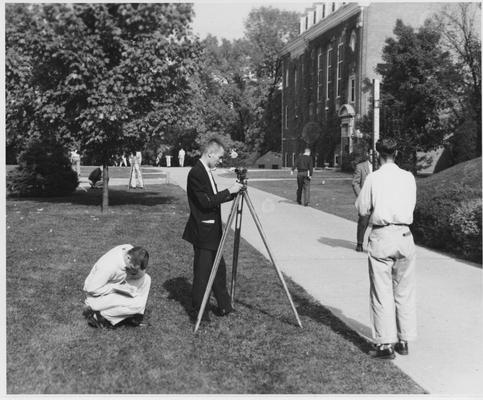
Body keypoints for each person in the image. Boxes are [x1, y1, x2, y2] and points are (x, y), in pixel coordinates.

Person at [355, 138, 417, 359]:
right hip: (405, 235)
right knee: (404, 291)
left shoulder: (374, 178)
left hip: (383, 234)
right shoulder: (408, 177)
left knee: (381, 291)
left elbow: (362, 209)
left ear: (377, 153)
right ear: (397, 152)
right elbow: (412, 205)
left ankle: (385, 345)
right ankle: (404, 340)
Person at [182, 138, 243, 321]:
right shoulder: (196, 173)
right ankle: (199, 312)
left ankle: (224, 306)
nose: (220, 160)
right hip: (203, 232)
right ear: (210, 153)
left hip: (213, 231)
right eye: (219, 157)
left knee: (219, 270)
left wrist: (233, 193)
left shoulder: (206, 171)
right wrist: (229, 191)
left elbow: (212, 199)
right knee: (203, 273)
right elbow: (205, 203)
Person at [82, 245, 151, 329]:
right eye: (133, 268)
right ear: (128, 257)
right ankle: (99, 316)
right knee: (137, 304)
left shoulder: (129, 249)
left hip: (113, 285)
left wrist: (133, 274)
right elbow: (91, 289)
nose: (135, 272)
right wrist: (117, 288)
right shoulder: (109, 267)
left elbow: (140, 271)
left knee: (146, 279)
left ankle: (135, 316)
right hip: (95, 297)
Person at [352, 149, 373, 252]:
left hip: (377, 199)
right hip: (365, 199)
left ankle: (373, 245)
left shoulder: (380, 168)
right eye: (371, 154)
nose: (374, 156)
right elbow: (355, 183)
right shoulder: (360, 167)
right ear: (368, 154)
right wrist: (361, 197)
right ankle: (359, 243)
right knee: (363, 222)